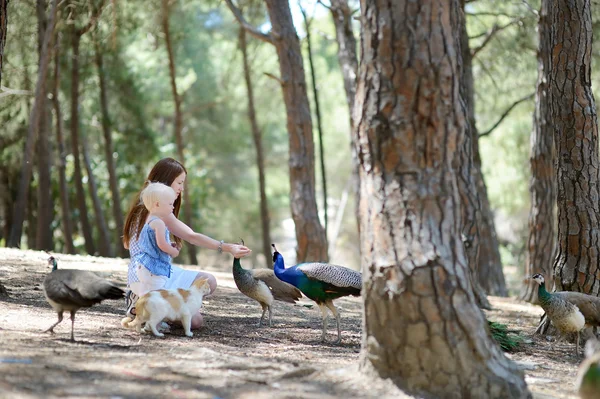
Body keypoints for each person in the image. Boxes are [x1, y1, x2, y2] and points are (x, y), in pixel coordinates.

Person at [123, 158, 252, 329]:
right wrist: (227, 247)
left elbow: (128, 245)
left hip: (157, 272)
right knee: (196, 321)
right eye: (179, 182)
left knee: (208, 281)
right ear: (166, 181)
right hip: (150, 276)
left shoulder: (144, 206)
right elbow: (192, 236)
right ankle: (145, 306)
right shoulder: (158, 213)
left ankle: (157, 307)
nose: (181, 188)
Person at [131, 182, 180, 297]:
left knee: (146, 292)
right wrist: (173, 251)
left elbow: (153, 242)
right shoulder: (159, 223)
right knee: (157, 294)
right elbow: (162, 244)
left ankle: (138, 307)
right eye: (170, 204)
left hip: (144, 265)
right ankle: (150, 312)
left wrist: (169, 244)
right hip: (153, 268)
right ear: (157, 204)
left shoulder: (148, 220)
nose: (173, 207)